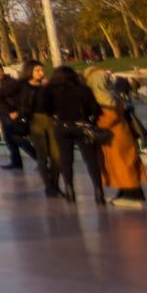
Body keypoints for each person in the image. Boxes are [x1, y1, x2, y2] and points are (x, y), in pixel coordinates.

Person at [45, 65, 105, 205]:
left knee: (66, 159)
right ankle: (98, 191)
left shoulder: (51, 91)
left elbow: (44, 108)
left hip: (62, 126)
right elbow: (95, 109)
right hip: (82, 126)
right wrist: (90, 120)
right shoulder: (84, 90)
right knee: (90, 159)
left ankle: (70, 190)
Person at [97, 73, 147, 209]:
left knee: (125, 165)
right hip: (117, 136)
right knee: (122, 166)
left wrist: (95, 124)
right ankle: (125, 191)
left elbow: (110, 116)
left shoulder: (107, 97)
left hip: (117, 136)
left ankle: (133, 193)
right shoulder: (109, 94)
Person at [21, 60, 63, 198]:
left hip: (51, 120)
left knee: (57, 155)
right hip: (35, 121)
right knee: (42, 155)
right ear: (30, 72)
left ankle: (55, 183)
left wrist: (48, 89)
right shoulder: (25, 87)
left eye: (42, 70)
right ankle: (48, 185)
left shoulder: (48, 86)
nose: (41, 73)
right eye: (37, 70)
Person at [0, 62, 32, 170]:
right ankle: (16, 162)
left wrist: (17, 112)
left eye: (0, 71)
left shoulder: (11, 82)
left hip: (12, 113)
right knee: (9, 139)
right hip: (1, 114)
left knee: (18, 138)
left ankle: (38, 158)